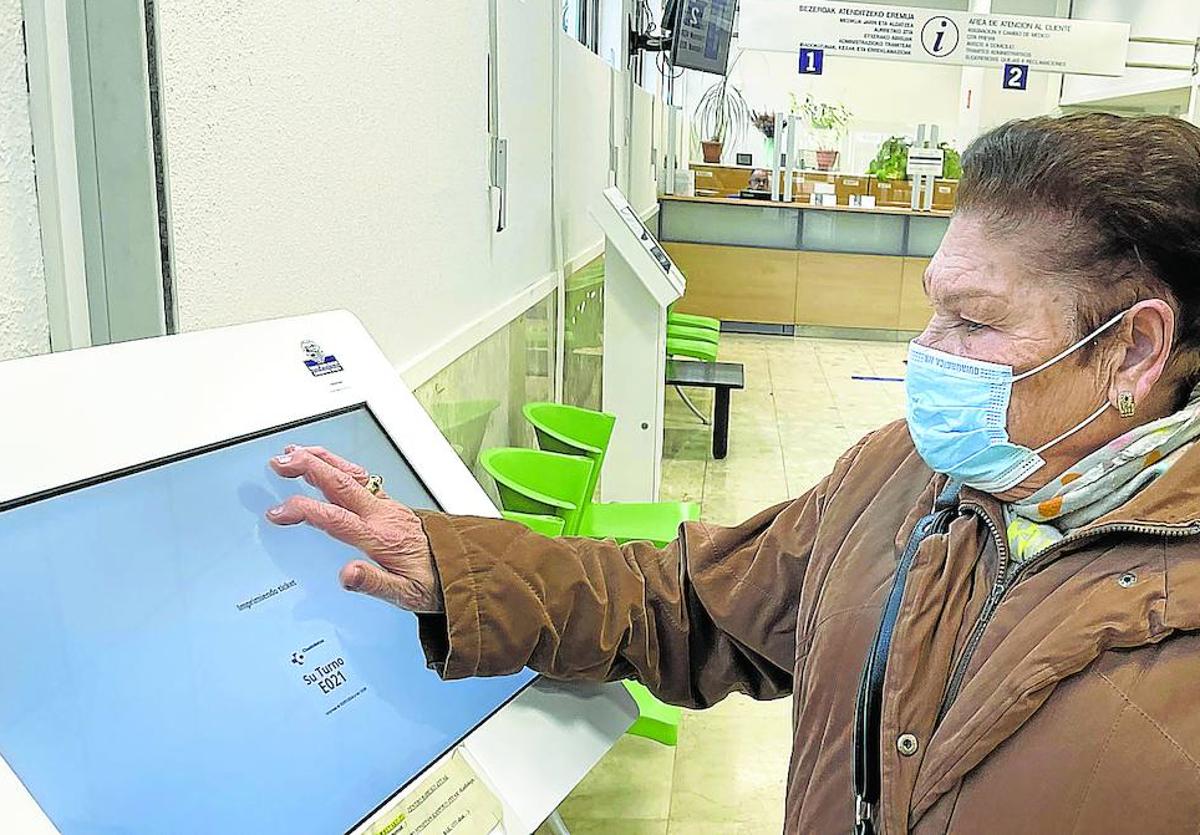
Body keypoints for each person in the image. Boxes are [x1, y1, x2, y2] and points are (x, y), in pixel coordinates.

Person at [266, 114, 1200, 834]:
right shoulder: (900, 476)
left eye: (975, 322)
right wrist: (451, 564)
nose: (927, 353)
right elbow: (695, 603)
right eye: (933, 310)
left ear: (1133, 350)